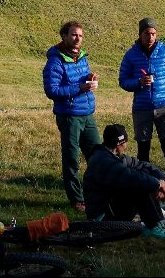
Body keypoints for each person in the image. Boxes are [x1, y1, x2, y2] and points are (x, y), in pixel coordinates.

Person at [118, 17, 165, 189]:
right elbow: (123, 80)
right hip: (142, 108)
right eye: (147, 33)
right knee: (143, 150)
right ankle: (146, 188)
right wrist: (139, 82)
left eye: (153, 33)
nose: (150, 37)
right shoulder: (131, 55)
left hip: (164, 106)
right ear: (140, 34)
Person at [42, 20, 101, 212]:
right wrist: (80, 87)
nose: (78, 39)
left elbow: (82, 81)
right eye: (74, 35)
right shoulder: (55, 61)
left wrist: (90, 79)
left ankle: (97, 194)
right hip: (69, 116)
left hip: (87, 114)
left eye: (81, 35)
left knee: (97, 156)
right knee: (72, 159)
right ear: (64, 36)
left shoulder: (82, 57)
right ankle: (77, 199)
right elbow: (52, 91)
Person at [83, 124, 165, 240]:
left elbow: (141, 165)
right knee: (140, 185)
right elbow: (129, 177)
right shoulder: (103, 161)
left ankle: (157, 223)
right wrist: (157, 184)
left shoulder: (113, 155)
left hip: (111, 207)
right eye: (125, 142)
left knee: (144, 179)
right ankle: (154, 227)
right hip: (103, 217)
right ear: (119, 144)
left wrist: (163, 180)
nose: (126, 146)